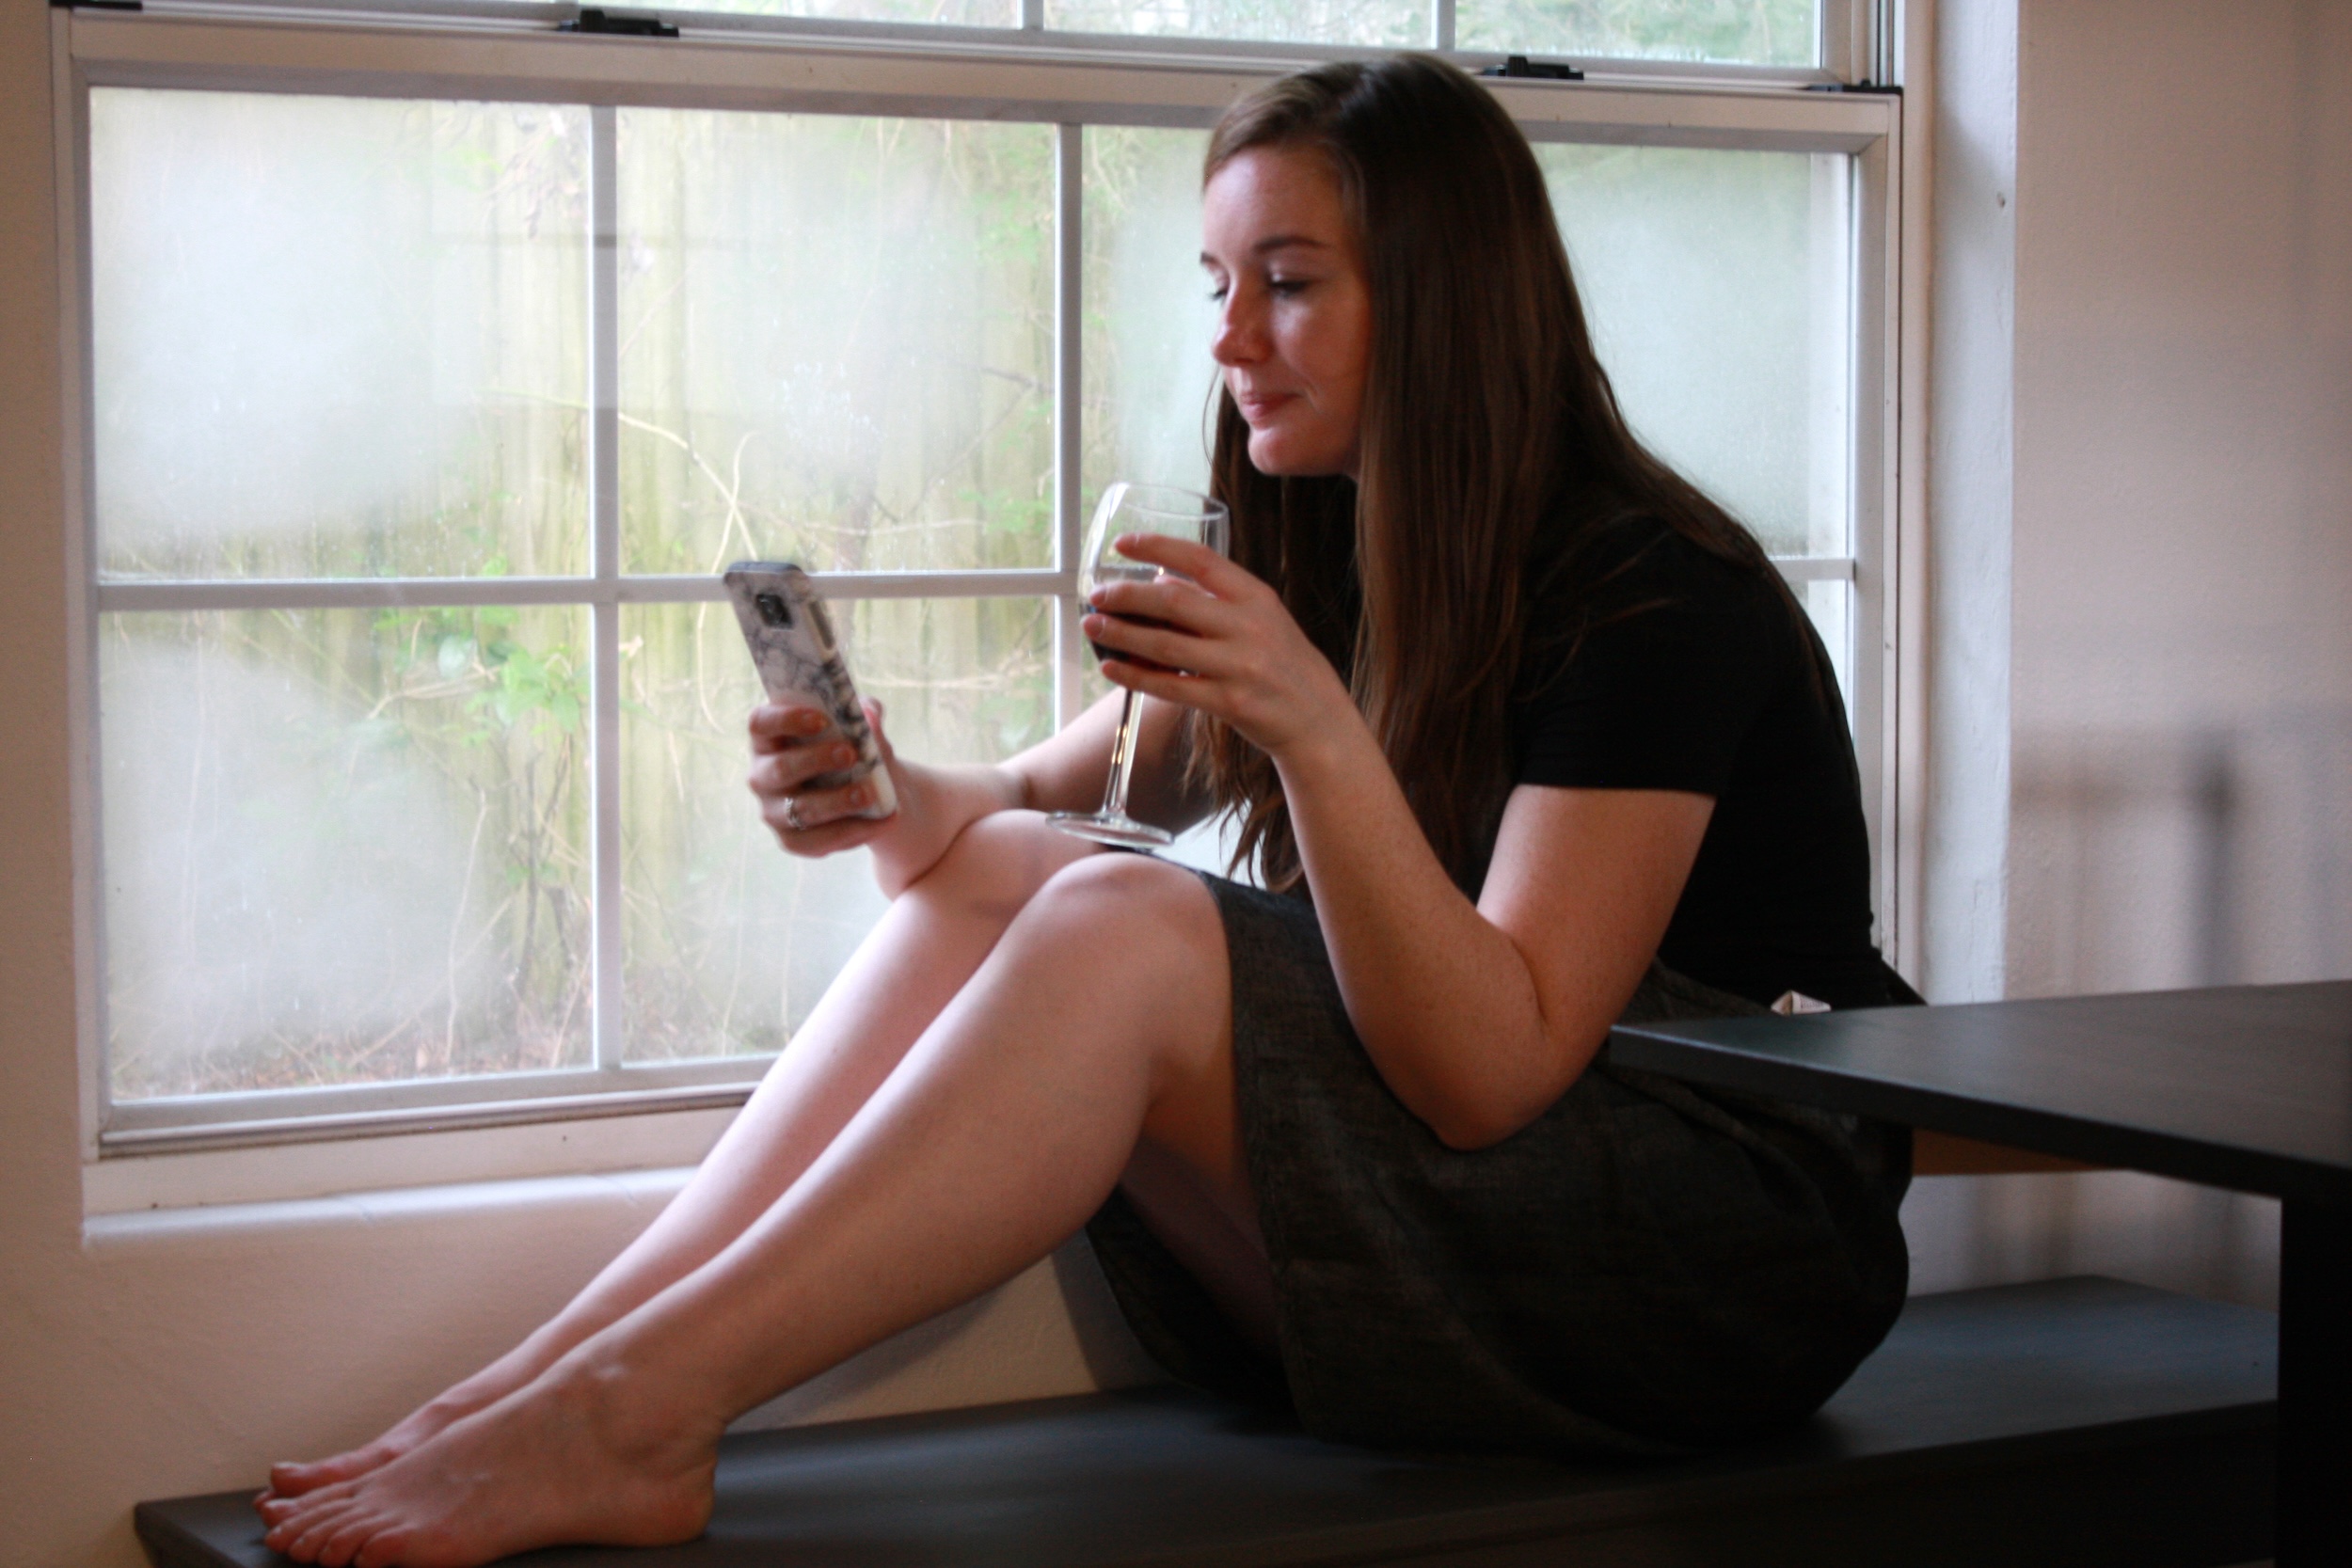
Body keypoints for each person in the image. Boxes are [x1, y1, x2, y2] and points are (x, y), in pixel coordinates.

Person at [254, 54, 1909, 1568]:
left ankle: (629, 1409)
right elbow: (1002, 833)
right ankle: (553, 1384)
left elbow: (1492, 1072)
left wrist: (1317, 736)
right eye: (1218, 285)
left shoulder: (1654, 596)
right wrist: (880, 791)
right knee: (1037, 870)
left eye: (1290, 284)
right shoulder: (1327, 548)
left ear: (1449, 296)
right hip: (1494, 1228)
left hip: (1717, 1246)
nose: (1229, 337)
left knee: (1125, 918)